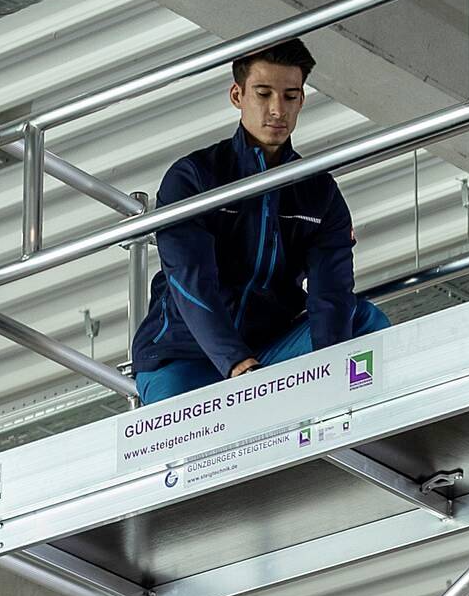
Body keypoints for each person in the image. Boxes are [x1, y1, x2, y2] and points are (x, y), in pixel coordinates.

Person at [131, 37, 390, 402]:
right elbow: (190, 282)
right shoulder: (195, 177)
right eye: (263, 94)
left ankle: (352, 419)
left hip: (270, 353)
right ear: (237, 96)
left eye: (289, 96)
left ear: (302, 99)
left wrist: (331, 370)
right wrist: (236, 362)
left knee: (361, 322)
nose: (277, 110)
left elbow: (331, 291)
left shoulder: (319, 192)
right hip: (187, 358)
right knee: (191, 449)